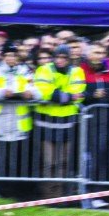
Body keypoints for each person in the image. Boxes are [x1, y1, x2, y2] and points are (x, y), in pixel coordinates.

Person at [31, 47, 86, 194]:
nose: (60, 60)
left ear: (69, 59)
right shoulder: (44, 69)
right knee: (49, 162)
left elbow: (79, 94)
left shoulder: (77, 71)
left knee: (63, 162)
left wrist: (58, 95)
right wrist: (66, 97)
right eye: (57, 57)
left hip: (67, 122)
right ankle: (48, 194)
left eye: (64, 57)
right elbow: (44, 92)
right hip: (46, 122)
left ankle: (59, 195)